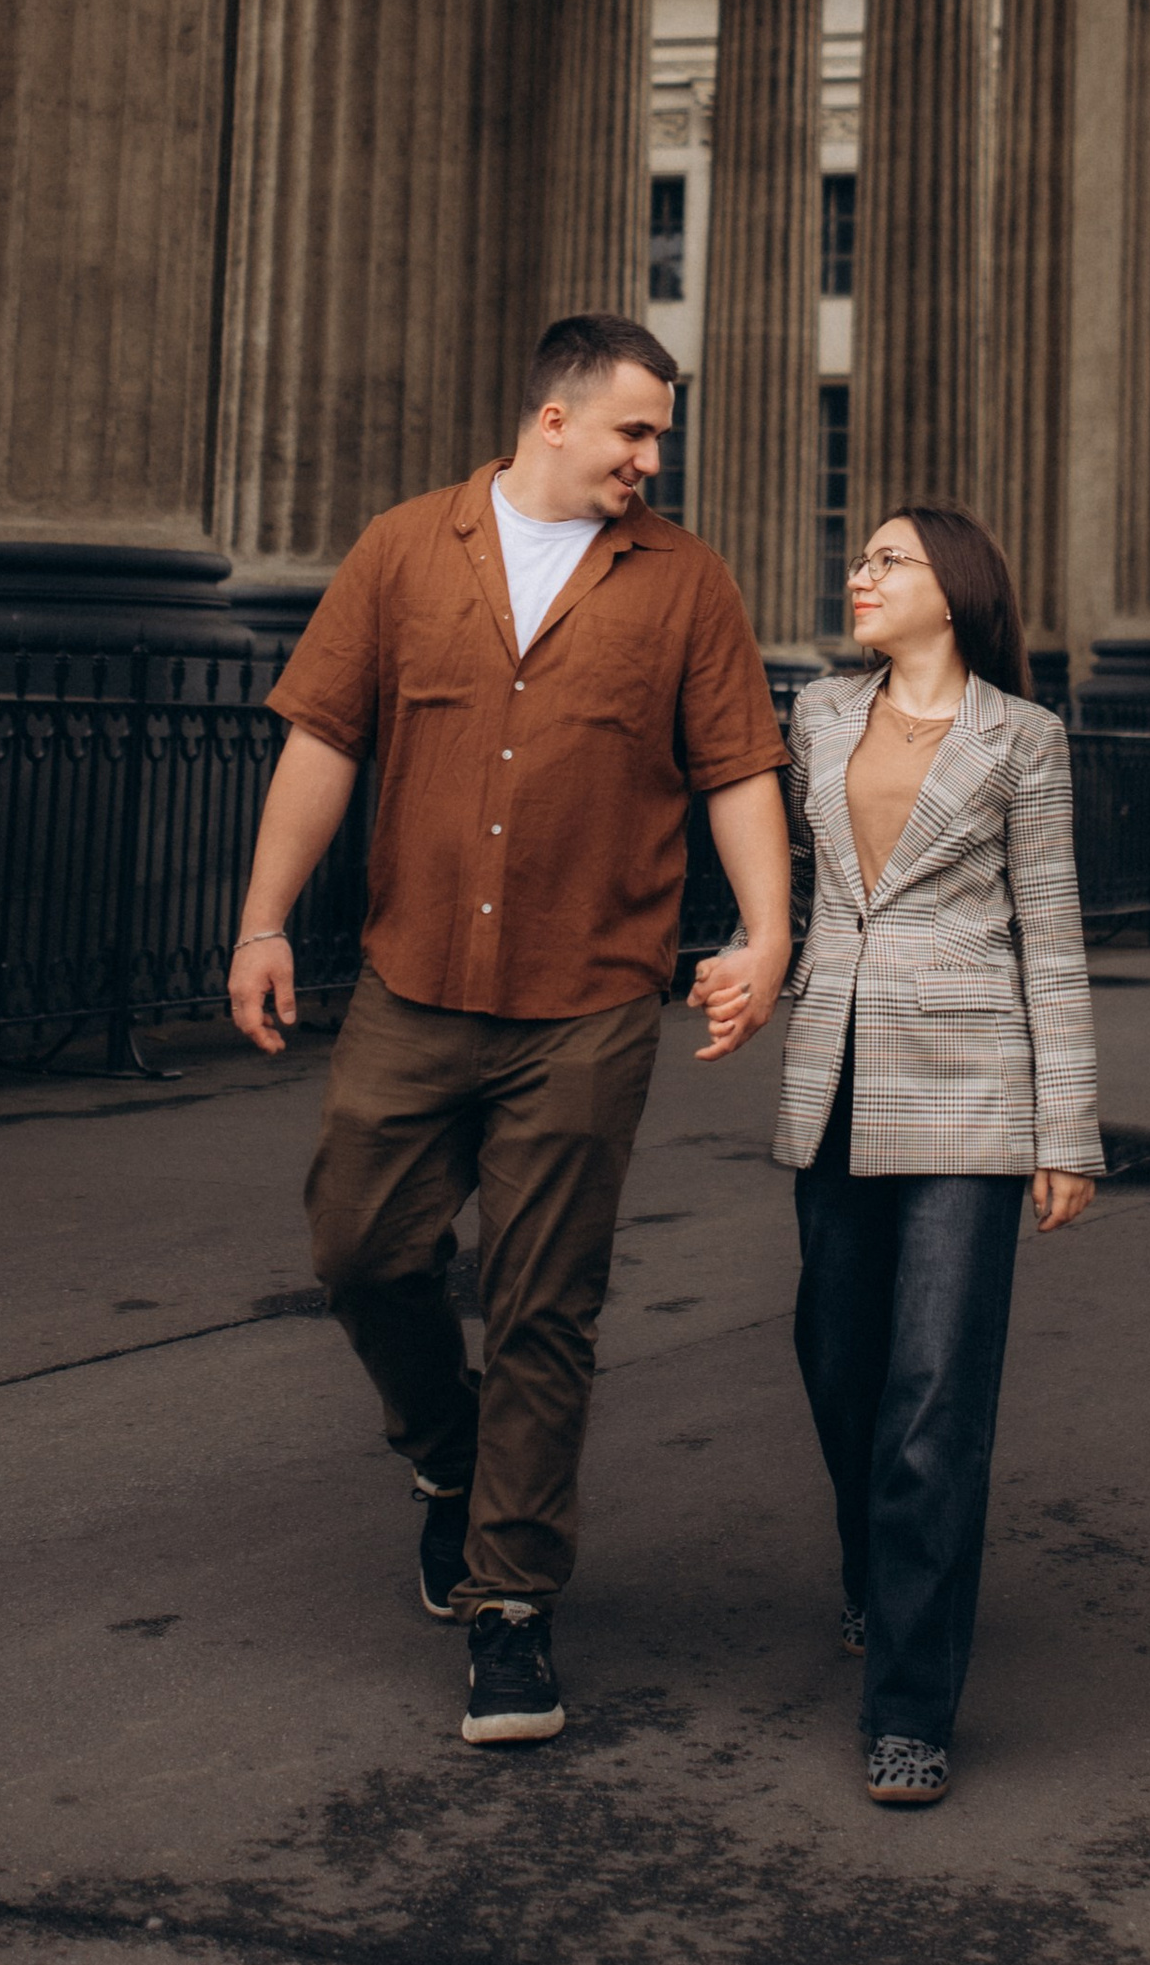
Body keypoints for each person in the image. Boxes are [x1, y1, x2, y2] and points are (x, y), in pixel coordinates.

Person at [228, 313, 792, 1749]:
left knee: (547, 1305)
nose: (651, 460)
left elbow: (736, 769)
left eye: (657, 436)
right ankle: (448, 1457)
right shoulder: (407, 550)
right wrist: (263, 920)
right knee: (360, 1248)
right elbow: (323, 742)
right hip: (413, 983)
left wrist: (764, 932)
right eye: (633, 432)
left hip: (591, 999)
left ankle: (512, 1614)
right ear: (553, 418)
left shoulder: (683, 585)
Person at [701, 501, 1099, 1808]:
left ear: (954, 590)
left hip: (973, 1083)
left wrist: (1068, 1130)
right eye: (861, 559)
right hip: (835, 1071)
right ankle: (875, 1560)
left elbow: (1050, 932)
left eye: (889, 561)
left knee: (936, 1394)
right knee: (837, 1355)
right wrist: (750, 956)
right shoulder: (817, 714)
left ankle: (911, 1704)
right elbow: (761, 849)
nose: (859, 575)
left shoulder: (1020, 739)